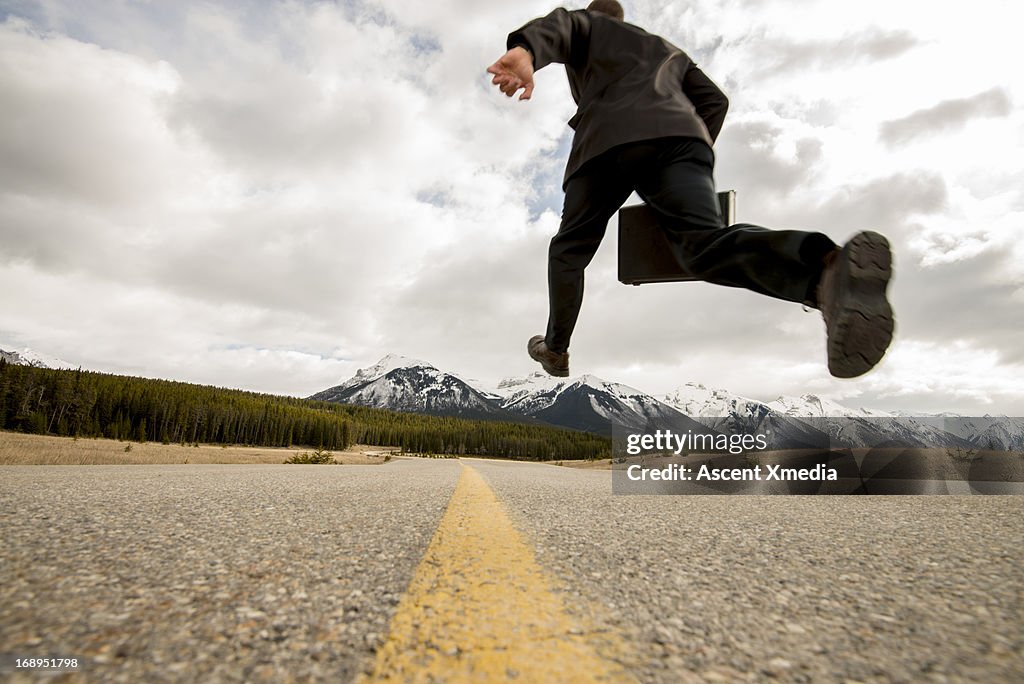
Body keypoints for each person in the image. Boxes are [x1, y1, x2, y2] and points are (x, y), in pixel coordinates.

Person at [486, 0, 894, 379]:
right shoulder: (666, 49)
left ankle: (555, 348)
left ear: (598, 15)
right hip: (680, 141)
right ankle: (825, 271)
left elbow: (565, 24)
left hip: (604, 144)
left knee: (569, 250)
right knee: (703, 247)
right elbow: (714, 101)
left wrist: (527, 51)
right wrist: (683, 162)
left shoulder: (589, 25)